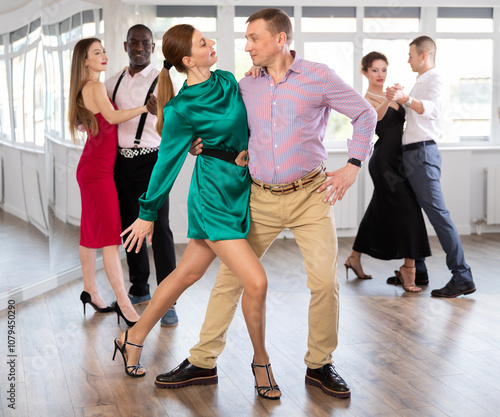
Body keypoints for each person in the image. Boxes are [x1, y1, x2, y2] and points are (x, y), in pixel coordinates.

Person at [158, 8, 377, 399]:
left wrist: (353, 166)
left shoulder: (318, 76)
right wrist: (199, 146)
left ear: (280, 39)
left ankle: (319, 364)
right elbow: (219, 124)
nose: (247, 46)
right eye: (246, 39)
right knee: (230, 280)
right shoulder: (245, 85)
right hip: (258, 197)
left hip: (311, 195)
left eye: (254, 38)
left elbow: (364, 113)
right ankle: (203, 361)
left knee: (324, 282)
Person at [112, 24, 281, 400]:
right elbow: (166, 163)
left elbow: (250, 124)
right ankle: (261, 361)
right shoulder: (180, 108)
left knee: (186, 273)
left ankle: (133, 336)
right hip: (212, 197)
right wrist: (147, 212)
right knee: (257, 282)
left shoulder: (227, 80)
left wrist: (258, 78)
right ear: (188, 59)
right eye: (204, 43)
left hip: (240, 188)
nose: (212, 44)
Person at [386, 36, 476, 298]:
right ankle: (419, 270)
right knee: (411, 213)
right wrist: (403, 97)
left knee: (439, 216)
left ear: (424, 55)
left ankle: (462, 276)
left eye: (411, 55)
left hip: (422, 154)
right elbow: (415, 113)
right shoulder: (421, 81)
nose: (408, 59)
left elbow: (433, 110)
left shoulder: (435, 79)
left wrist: (406, 98)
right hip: (413, 154)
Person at [68, 37, 148, 326]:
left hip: (94, 169)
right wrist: (143, 109)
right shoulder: (95, 86)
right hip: (96, 173)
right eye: (97, 53)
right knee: (111, 239)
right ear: (85, 61)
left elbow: (93, 122)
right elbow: (112, 118)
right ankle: (125, 305)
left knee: (91, 234)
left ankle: (90, 290)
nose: (104, 55)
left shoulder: (83, 89)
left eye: (104, 50)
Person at [105, 25, 178, 327]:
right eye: (134, 42)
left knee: (159, 228)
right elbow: (102, 113)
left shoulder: (163, 81)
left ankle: (168, 300)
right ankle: (138, 289)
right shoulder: (113, 82)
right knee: (129, 228)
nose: (139, 47)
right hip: (122, 163)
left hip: (153, 161)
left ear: (153, 46)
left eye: (145, 43)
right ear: (125, 45)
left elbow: (175, 120)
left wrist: (160, 109)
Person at [344, 52, 431, 292]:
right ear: (365, 72)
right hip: (383, 163)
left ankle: (354, 257)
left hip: (400, 160)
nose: (380, 75)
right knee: (410, 209)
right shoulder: (366, 99)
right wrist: (390, 99)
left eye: (383, 70)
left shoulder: (389, 94)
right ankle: (409, 270)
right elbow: (375, 119)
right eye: (374, 70)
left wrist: (402, 96)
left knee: (378, 209)